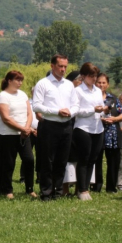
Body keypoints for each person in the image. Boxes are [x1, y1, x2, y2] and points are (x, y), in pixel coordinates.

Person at [33, 54, 78, 201]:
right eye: (60, 66)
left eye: (65, 66)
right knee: (47, 160)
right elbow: (37, 105)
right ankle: (46, 192)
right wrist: (56, 111)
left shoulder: (69, 85)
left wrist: (71, 112)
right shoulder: (43, 84)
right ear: (52, 66)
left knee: (61, 160)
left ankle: (58, 191)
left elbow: (76, 104)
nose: (63, 69)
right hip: (49, 125)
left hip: (66, 125)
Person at [0, 71, 36, 199]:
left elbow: (29, 113)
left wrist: (27, 128)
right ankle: (8, 190)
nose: (20, 83)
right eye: (17, 80)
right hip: (8, 135)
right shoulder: (3, 96)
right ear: (9, 81)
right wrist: (22, 128)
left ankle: (30, 189)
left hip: (24, 134)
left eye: (21, 80)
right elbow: (6, 118)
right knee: (9, 163)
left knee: (29, 160)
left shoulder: (23, 95)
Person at [72, 63, 105, 201]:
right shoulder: (78, 91)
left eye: (95, 76)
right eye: (91, 76)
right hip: (83, 128)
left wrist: (104, 110)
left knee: (93, 159)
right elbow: (76, 111)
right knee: (83, 159)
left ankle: (84, 187)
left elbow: (101, 106)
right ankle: (82, 189)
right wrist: (93, 110)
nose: (94, 78)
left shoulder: (97, 91)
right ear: (84, 76)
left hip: (98, 127)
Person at [91, 73, 122, 193]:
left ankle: (111, 187)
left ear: (108, 84)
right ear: (95, 83)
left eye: (103, 82)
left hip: (113, 133)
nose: (101, 85)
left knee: (113, 161)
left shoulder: (113, 98)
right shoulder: (92, 97)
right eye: (99, 82)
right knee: (96, 160)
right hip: (96, 131)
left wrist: (114, 119)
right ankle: (96, 186)